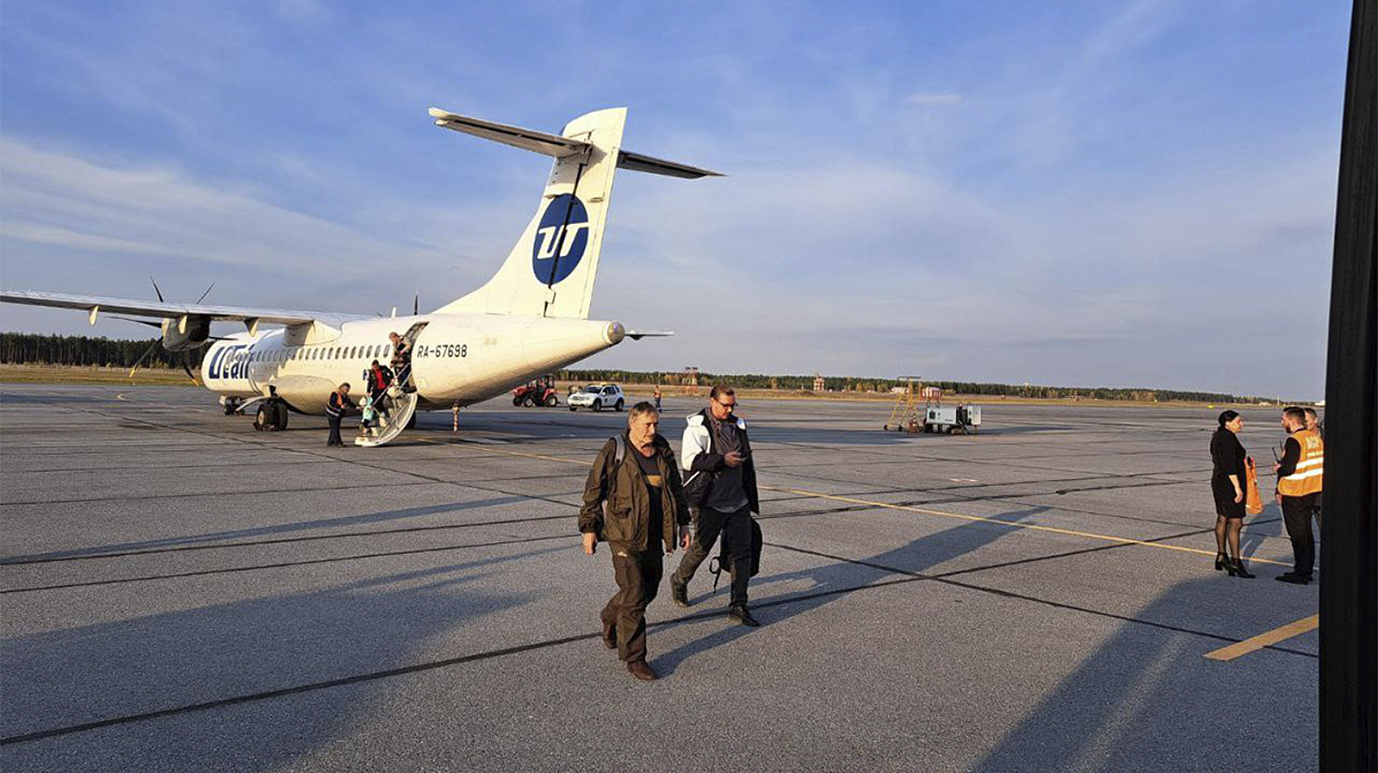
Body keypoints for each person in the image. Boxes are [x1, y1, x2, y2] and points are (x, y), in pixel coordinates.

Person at [579, 401, 691, 681]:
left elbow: (675, 487)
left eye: (656, 424)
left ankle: (609, 615)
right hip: (623, 534)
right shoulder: (615, 449)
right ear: (633, 423)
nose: (653, 429)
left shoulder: (662, 448)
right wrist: (589, 528)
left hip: (654, 533)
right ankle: (635, 658)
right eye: (647, 425)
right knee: (634, 591)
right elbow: (593, 489)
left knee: (648, 590)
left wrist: (683, 523)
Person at [669, 385, 762, 626]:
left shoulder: (737, 424)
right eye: (724, 405)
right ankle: (679, 581)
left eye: (732, 405)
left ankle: (738, 604)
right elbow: (690, 460)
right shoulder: (697, 427)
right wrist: (723, 460)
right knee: (701, 548)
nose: (729, 409)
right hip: (709, 502)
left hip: (738, 501)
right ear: (712, 401)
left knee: (743, 552)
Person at [1274, 406, 1324, 584]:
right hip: (1311, 491)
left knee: (1297, 535)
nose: (1282, 423)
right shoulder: (1315, 438)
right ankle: (1306, 569)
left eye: (1283, 420)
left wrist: (1280, 468)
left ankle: (1301, 572)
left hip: (1295, 493)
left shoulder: (1294, 440)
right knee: (1307, 533)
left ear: (1292, 421)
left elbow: (1288, 468)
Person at [1209, 411, 1254, 578]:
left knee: (1223, 517)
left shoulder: (1220, 435)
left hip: (1220, 481)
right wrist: (1238, 487)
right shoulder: (1227, 438)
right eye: (1238, 421)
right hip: (1228, 484)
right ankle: (1236, 562)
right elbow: (1229, 465)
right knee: (1236, 522)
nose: (1241, 424)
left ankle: (1222, 556)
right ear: (1228, 422)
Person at [1303, 407, 1323, 528]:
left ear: (1315, 420)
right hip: (1305, 492)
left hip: (1321, 492)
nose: (1304, 424)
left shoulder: (1325, 438)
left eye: (1306, 421)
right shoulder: (1300, 439)